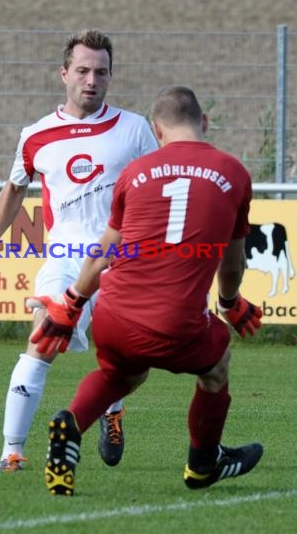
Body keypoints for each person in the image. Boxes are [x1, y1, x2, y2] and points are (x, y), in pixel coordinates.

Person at [29, 85, 264, 496]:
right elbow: (232, 260)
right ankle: (203, 464)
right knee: (217, 365)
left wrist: (70, 305)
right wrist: (229, 302)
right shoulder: (233, 173)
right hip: (176, 322)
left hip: (113, 315)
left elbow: (103, 253)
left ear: (156, 131)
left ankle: (70, 422)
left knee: (121, 373)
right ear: (203, 123)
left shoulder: (134, 174)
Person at [0, 29, 159, 471]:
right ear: (64, 73)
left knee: (128, 359)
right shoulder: (36, 135)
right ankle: (11, 451)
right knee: (42, 337)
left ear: (111, 76)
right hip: (66, 258)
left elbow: (157, 187)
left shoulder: (134, 129)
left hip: (121, 261)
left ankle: (112, 409)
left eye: (102, 72)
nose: (92, 80)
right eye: (83, 70)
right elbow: (14, 190)